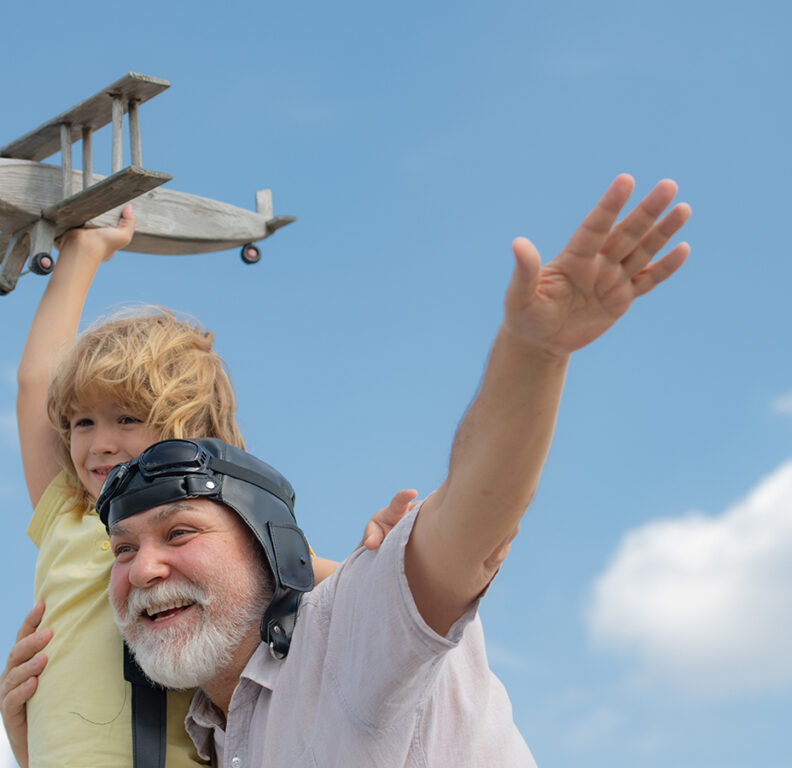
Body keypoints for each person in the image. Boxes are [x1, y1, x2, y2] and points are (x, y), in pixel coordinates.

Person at [99, 175, 691, 766]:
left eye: (180, 532)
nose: (144, 569)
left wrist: (535, 354)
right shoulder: (211, 731)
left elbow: (472, 521)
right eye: (123, 551)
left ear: (269, 546)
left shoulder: (352, 634)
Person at [0, 206, 409, 768]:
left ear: (187, 430)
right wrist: (83, 253)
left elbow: (317, 579)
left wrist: (389, 557)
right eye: (83, 423)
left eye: (126, 419)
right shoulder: (68, 515)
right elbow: (35, 385)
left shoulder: (220, 526)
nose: (101, 445)